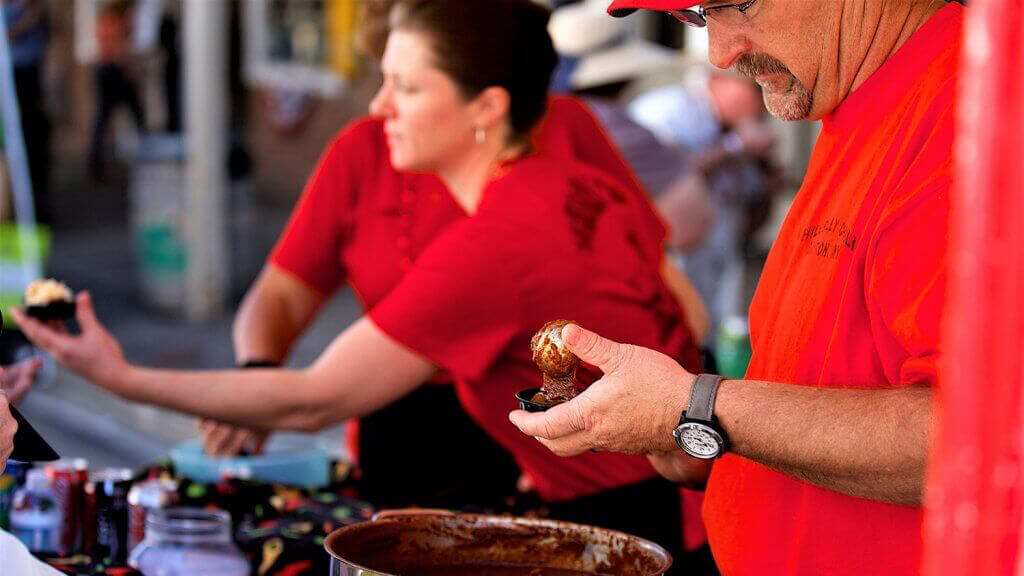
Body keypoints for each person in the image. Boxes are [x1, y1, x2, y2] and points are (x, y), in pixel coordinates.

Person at [15, 0, 705, 568]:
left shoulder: (499, 235)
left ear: (485, 107)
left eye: (405, 87)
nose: (378, 107)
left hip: (623, 520)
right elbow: (670, 311)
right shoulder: (562, 187)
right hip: (665, 494)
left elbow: (314, 400)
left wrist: (117, 375)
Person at [197, 0, 707, 512]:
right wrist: (256, 376)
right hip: (401, 427)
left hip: (541, 435)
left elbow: (662, 291)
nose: (386, 102)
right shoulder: (365, 151)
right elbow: (284, 293)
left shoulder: (564, 127)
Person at [510, 1, 960, 575]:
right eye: (696, 19)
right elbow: (835, 379)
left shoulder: (968, 111)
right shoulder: (861, 88)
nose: (722, 53)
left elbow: (969, 441)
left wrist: (696, 408)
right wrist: (706, 433)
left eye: (735, 4)